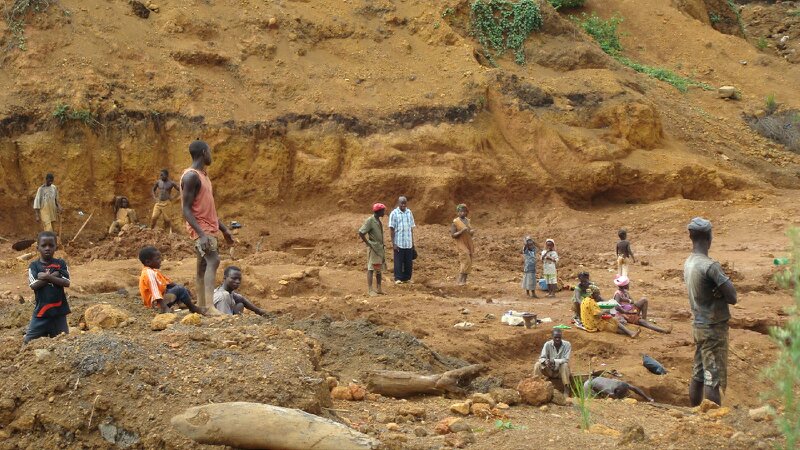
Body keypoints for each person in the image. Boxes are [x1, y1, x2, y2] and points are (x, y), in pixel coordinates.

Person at [684, 217, 736, 407]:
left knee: (698, 373)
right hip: (713, 328)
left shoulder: (689, 262)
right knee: (712, 377)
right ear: (709, 237)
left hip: (699, 326)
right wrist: (721, 293)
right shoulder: (710, 266)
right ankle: (712, 418)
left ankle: (695, 413)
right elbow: (733, 297)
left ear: (691, 237)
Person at [181, 140, 234, 312]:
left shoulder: (203, 176)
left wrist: (224, 230)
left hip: (209, 227)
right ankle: (210, 307)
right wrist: (202, 234)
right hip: (202, 228)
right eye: (209, 151)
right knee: (214, 260)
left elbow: (208, 210)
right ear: (204, 152)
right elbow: (186, 209)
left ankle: (202, 307)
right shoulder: (191, 176)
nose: (211, 155)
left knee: (202, 267)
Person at [24, 232, 71, 343]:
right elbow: (33, 285)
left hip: (59, 313)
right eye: (44, 245)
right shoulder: (34, 266)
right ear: (37, 248)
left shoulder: (61, 263)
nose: (47, 248)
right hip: (41, 314)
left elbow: (66, 282)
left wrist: (46, 277)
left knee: (64, 342)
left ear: (56, 247)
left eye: (51, 245)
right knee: (28, 341)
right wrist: (54, 276)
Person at [138, 246, 204, 314]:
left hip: (161, 299)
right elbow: (155, 292)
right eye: (158, 259)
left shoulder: (153, 271)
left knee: (179, 288)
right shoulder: (149, 273)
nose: (160, 260)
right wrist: (164, 307)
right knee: (180, 289)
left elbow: (168, 283)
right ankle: (193, 308)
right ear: (148, 262)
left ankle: (182, 303)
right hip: (156, 303)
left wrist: (183, 288)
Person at [359, 203, 387, 296]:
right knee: (371, 268)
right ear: (378, 211)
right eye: (383, 211)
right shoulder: (370, 221)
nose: (384, 212)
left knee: (378, 269)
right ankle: (370, 289)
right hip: (374, 248)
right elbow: (361, 232)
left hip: (379, 248)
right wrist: (368, 243)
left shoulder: (378, 221)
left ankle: (379, 288)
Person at [533, 329, 571, 396]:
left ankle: (566, 387)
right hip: (549, 371)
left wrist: (554, 361)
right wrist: (546, 362)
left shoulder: (567, 344)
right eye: (555, 337)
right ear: (552, 337)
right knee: (537, 364)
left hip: (560, 372)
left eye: (559, 337)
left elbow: (566, 359)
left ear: (561, 336)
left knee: (565, 365)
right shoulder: (547, 344)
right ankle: (535, 385)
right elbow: (542, 358)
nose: (557, 339)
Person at [388, 196, 416, 284]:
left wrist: (412, 243)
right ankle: (398, 278)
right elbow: (392, 229)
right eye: (402, 203)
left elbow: (411, 228)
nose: (403, 205)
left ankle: (407, 278)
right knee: (398, 261)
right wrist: (394, 243)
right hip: (399, 242)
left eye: (405, 203)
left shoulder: (409, 212)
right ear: (398, 203)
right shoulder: (394, 213)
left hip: (408, 243)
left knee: (408, 262)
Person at [450, 204, 474, 286]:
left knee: (469, 261)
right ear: (458, 212)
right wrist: (461, 231)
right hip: (461, 243)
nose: (463, 213)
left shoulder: (467, 221)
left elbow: (470, 232)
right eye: (461, 211)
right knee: (465, 260)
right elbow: (453, 235)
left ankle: (464, 281)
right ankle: (459, 280)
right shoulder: (455, 222)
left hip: (468, 243)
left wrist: (471, 232)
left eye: (464, 211)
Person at [583, 376, 654, 402]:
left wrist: (648, 398)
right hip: (589, 385)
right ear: (616, 391)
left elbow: (635, 389)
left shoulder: (622, 384)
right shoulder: (608, 390)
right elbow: (614, 397)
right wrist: (619, 400)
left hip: (597, 380)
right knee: (594, 401)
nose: (625, 394)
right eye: (622, 394)